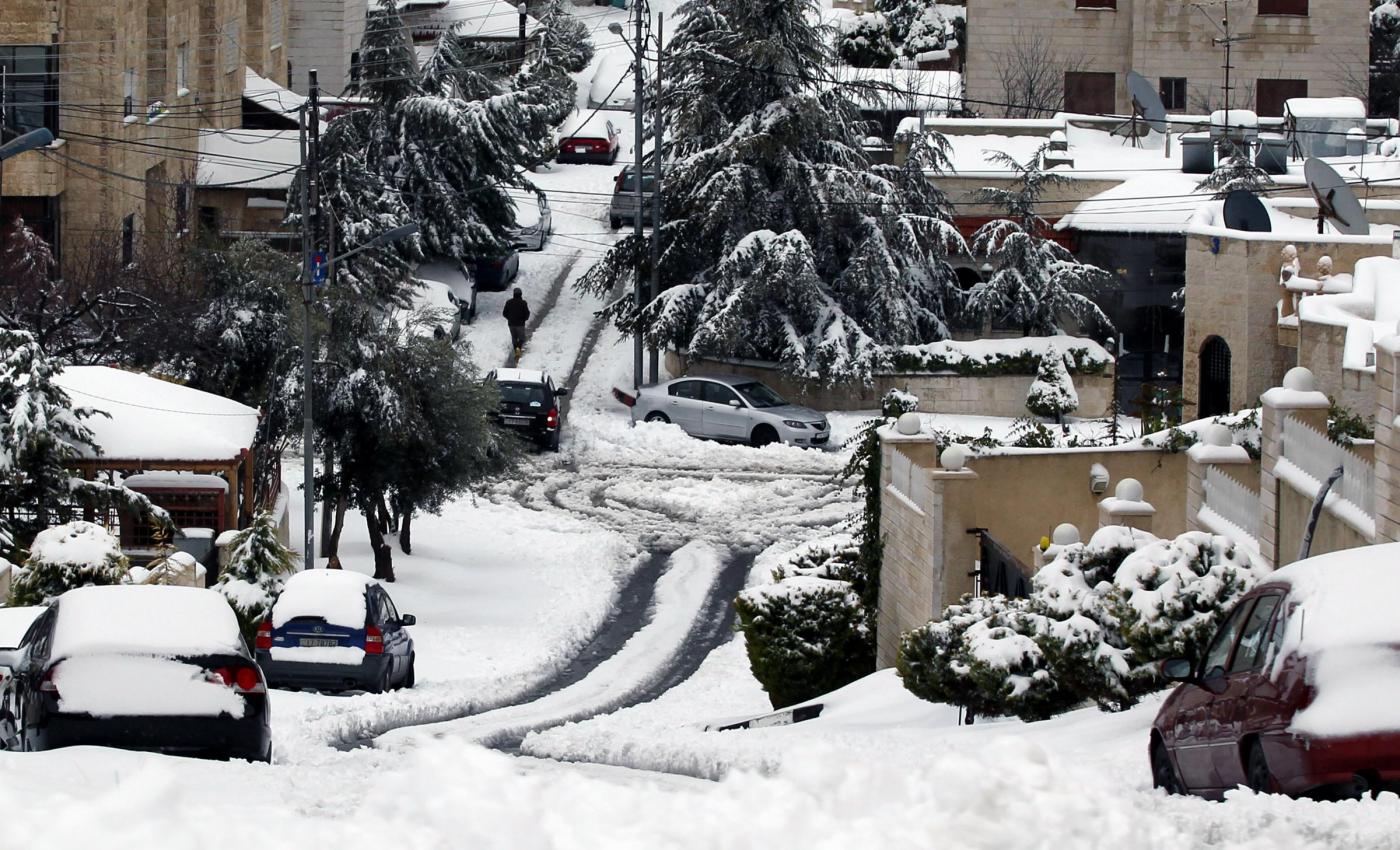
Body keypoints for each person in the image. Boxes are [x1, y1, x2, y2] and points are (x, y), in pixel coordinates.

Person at [503, 287, 530, 363]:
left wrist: (509, 318)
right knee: (521, 338)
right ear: (521, 294)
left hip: (511, 324)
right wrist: (524, 319)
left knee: (514, 338)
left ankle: (516, 351)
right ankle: (518, 350)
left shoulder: (509, 302)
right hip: (520, 324)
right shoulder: (523, 303)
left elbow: (504, 313)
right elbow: (527, 313)